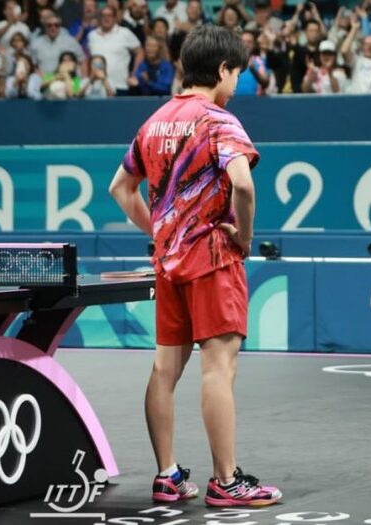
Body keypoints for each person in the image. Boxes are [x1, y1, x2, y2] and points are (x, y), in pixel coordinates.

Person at [108, 25, 282, 507]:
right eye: (238, 75)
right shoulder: (218, 120)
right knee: (218, 368)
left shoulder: (155, 120)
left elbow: (120, 189)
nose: (237, 85)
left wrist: (161, 233)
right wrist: (244, 238)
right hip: (211, 257)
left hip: (169, 264)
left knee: (165, 369)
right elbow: (243, 185)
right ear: (223, 70)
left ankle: (166, 475)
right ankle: (226, 481)